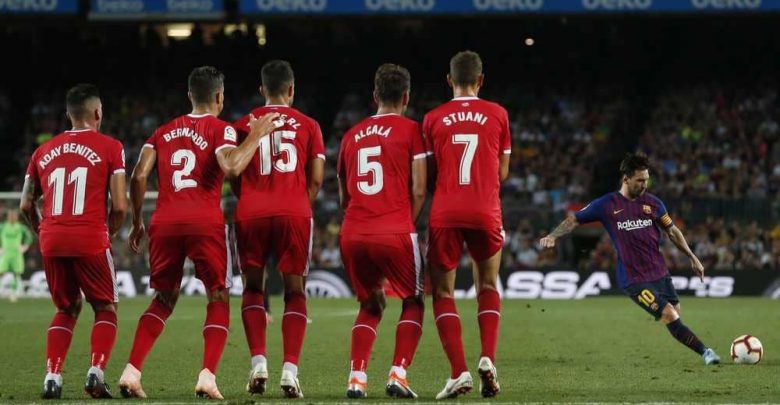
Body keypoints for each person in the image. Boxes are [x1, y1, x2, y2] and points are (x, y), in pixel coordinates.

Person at [117, 66, 279, 399]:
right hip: (204, 222)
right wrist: (256, 136)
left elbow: (139, 175)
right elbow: (232, 166)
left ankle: (131, 372)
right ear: (219, 97)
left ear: (190, 95)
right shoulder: (221, 129)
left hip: (164, 222)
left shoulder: (162, 132)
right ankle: (207, 376)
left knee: (163, 299)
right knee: (218, 296)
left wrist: (136, 221)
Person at [539, 152, 721, 365]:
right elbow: (574, 219)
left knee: (675, 313)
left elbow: (672, 231)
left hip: (659, 272)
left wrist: (692, 257)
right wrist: (553, 235)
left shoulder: (654, 204)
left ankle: (680, 330)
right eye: (640, 180)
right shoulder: (607, 204)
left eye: (647, 180)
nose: (644, 185)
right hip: (633, 278)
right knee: (669, 315)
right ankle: (706, 352)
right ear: (626, 179)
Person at [20, 83, 128, 399]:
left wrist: (42, 230)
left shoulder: (42, 151)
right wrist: (109, 233)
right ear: (97, 113)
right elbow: (120, 206)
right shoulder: (111, 147)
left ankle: (52, 377)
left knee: (66, 308)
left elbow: (26, 204)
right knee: (106, 307)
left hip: (52, 238)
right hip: (90, 236)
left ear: (68, 115)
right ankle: (96, 373)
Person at [231, 60, 325, 398]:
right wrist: (297, 203)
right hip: (293, 211)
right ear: (291, 89)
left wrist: (250, 198)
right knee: (295, 292)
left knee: (253, 288)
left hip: (251, 211)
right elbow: (316, 178)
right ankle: (289, 371)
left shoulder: (242, 124)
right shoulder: (309, 125)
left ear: (262, 90)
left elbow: (233, 171)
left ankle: (258, 363)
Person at [423, 50, 511, 399]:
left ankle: (458, 372)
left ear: (449, 80)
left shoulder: (432, 119)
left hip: (445, 211)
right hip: (485, 210)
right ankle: (487, 357)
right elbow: (502, 172)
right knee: (487, 284)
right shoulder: (498, 114)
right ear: (481, 80)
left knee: (443, 293)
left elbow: (429, 173)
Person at [337, 63, 427, 399]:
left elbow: (344, 196)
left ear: (375, 96)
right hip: (395, 230)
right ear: (406, 97)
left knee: (371, 304)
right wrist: (404, 222)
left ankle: (356, 377)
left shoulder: (350, 135)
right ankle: (398, 373)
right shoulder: (413, 131)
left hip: (353, 232)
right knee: (414, 300)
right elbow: (419, 189)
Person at [0, 209, 34, 302]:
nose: (12, 217)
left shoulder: (21, 228)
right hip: (5, 253)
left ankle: (14, 294)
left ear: (17, 217)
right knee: (1, 272)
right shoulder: (2, 227)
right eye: (11, 215)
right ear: (8, 217)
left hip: (16, 254)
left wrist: (25, 247)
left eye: (14, 215)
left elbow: (30, 238)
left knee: (16, 273)